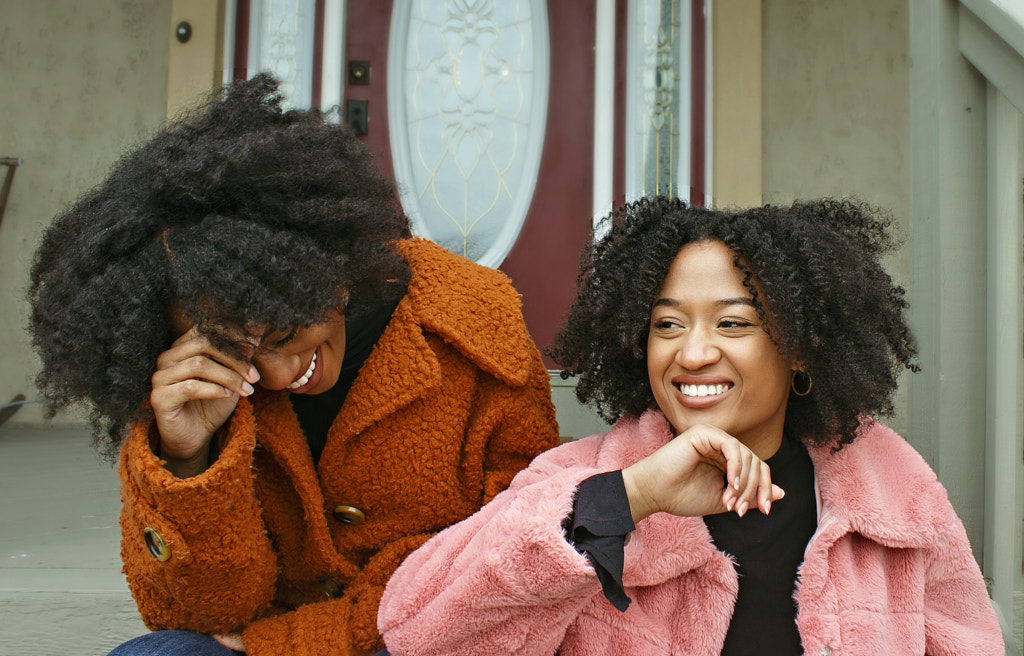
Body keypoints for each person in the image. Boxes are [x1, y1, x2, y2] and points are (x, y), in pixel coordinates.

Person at [27, 74, 560, 656]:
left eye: (282, 330)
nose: (278, 377)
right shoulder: (182, 382)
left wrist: (285, 643)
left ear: (321, 257)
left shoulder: (475, 326)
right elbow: (197, 620)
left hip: (425, 638)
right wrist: (188, 462)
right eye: (236, 356)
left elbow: (508, 567)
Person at [377, 197, 1005, 655]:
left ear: (801, 351)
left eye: (732, 324)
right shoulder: (581, 485)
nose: (693, 353)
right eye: (668, 325)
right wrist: (631, 497)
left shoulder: (896, 502)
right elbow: (416, 629)